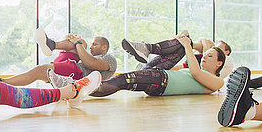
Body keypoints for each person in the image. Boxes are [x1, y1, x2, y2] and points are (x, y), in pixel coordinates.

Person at [71, 33, 226, 97]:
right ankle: (147, 48)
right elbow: (179, 66)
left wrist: (188, 47)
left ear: (219, 63)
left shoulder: (217, 82)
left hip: (161, 82)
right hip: (159, 74)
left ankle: (75, 89)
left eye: (209, 56)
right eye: (204, 55)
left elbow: (196, 73)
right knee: (183, 40)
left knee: (122, 80)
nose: (204, 57)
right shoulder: (192, 69)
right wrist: (183, 43)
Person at [0, 28, 117, 87]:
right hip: (72, 68)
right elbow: (86, 57)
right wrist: (72, 41)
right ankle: (51, 44)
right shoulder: (91, 55)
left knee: (39, 71)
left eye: (95, 44)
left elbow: (90, 63)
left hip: (76, 75)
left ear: (104, 48)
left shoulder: (110, 59)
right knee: (82, 42)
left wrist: (77, 42)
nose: (92, 47)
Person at [121, 31, 234, 79]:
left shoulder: (227, 60)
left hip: (194, 67)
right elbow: (204, 41)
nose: (215, 48)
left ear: (226, 52)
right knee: (182, 43)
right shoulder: (209, 55)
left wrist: (187, 42)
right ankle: (147, 51)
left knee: (184, 43)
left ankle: (147, 49)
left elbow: (205, 47)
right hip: (190, 64)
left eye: (219, 47)